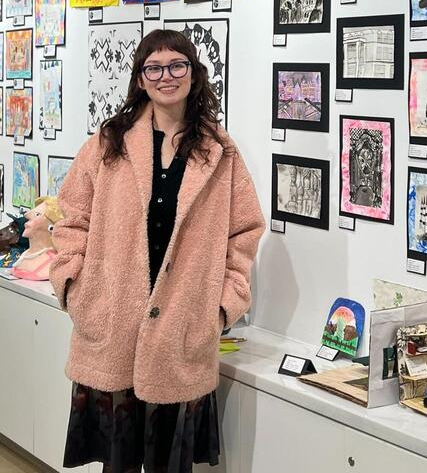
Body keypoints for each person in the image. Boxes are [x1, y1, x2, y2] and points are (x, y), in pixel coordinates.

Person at [50, 29, 266, 473]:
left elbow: (245, 232)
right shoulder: (108, 143)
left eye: (177, 65)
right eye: (154, 67)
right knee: (118, 465)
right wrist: (74, 288)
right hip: (110, 328)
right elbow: (72, 219)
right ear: (141, 78)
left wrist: (221, 308)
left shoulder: (219, 152)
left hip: (182, 335)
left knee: (173, 466)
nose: (166, 76)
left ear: (193, 73)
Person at [11, 195, 63, 281]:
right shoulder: (24, 256)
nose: (27, 216)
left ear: (52, 227)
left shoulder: (53, 265)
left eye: (37, 214)